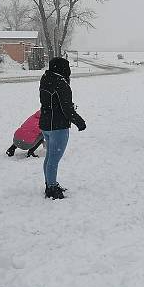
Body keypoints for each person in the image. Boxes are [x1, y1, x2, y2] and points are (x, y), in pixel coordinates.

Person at [39, 57, 86, 199]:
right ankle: (52, 188)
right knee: (54, 158)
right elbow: (66, 108)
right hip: (58, 126)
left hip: (46, 124)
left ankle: (49, 184)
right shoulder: (61, 83)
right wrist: (79, 121)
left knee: (49, 157)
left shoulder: (46, 78)